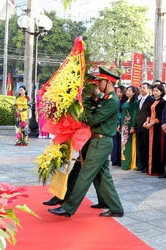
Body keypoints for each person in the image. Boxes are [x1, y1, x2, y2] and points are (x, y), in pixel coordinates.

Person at [48, 67, 124, 218]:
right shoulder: (104, 99)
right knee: (102, 176)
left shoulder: (112, 100)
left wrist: (77, 113)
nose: (98, 85)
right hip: (97, 141)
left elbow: (93, 119)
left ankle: (68, 208)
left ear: (108, 82)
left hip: (101, 142)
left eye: (100, 81)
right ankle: (115, 207)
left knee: (85, 174)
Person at [143, 83, 166, 175]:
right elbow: (149, 113)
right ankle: (149, 169)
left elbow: (160, 116)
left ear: (162, 92)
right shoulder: (152, 101)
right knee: (150, 147)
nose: (155, 92)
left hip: (157, 127)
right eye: (154, 91)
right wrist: (147, 121)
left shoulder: (163, 102)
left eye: (157, 91)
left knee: (156, 148)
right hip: (150, 126)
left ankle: (156, 170)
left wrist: (151, 123)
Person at [120, 86, 139, 170]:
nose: (127, 92)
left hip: (129, 125)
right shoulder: (125, 101)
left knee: (129, 144)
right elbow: (122, 113)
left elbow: (135, 115)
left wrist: (133, 126)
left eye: (130, 90)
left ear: (134, 93)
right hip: (123, 125)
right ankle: (124, 162)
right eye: (127, 90)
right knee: (123, 144)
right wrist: (119, 125)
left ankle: (130, 163)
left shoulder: (135, 102)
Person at [136, 83, 154, 172]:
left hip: (147, 127)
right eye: (141, 88)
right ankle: (142, 165)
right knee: (141, 147)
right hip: (139, 126)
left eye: (144, 88)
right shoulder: (139, 100)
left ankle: (147, 166)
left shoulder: (151, 99)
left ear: (149, 89)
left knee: (147, 146)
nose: (142, 89)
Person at [110, 86, 125, 166]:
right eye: (117, 92)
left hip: (120, 123)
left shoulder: (124, 101)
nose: (118, 93)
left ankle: (119, 160)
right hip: (114, 122)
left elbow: (122, 113)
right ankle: (114, 159)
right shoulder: (116, 101)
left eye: (120, 92)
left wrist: (119, 123)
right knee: (114, 142)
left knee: (119, 142)